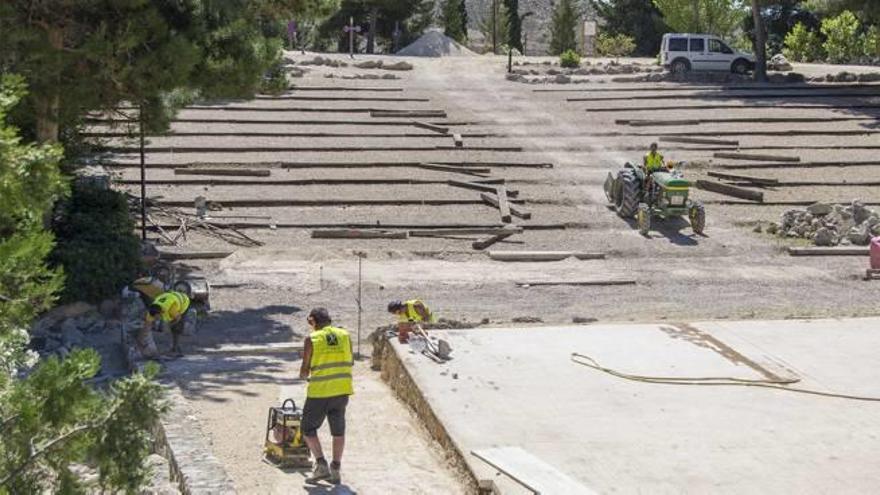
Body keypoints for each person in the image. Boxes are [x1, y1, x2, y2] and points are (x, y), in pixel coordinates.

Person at [300, 308, 353, 485]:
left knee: (307, 428)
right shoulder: (345, 335)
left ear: (313, 321)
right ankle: (336, 468)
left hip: (319, 392)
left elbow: (304, 369)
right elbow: (350, 360)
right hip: (342, 390)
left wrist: (305, 375)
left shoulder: (312, 339)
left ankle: (321, 464)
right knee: (338, 431)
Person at [145, 290, 195, 356]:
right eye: (155, 318)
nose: (156, 319)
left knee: (176, 328)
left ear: (161, 312)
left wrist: (170, 325)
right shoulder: (151, 311)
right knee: (168, 327)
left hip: (183, 301)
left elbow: (178, 318)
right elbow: (147, 325)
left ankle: (175, 349)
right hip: (170, 297)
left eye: (157, 317)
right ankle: (174, 347)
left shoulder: (172, 310)